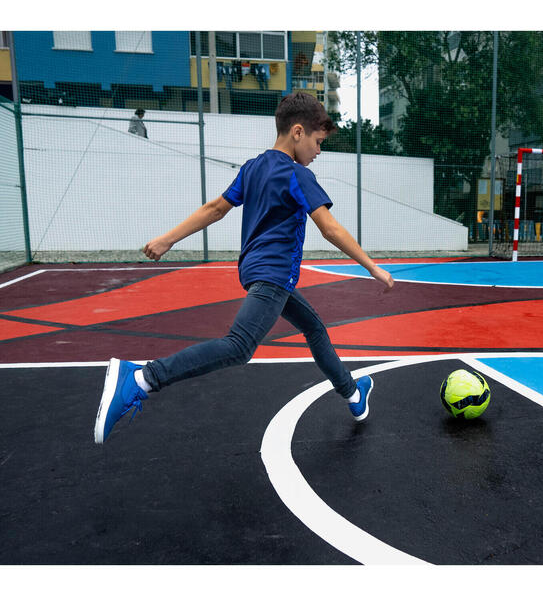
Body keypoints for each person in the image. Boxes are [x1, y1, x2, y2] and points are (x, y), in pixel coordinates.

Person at [95, 92, 394, 444]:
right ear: (298, 132)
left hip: (255, 272)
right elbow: (330, 228)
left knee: (314, 328)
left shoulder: (252, 167)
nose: (319, 151)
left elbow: (215, 208)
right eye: (318, 141)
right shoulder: (298, 175)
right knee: (239, 346)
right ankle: (142, 377)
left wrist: (167, 239)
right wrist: (372, 267)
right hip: (273, 275)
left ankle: (353, 393)